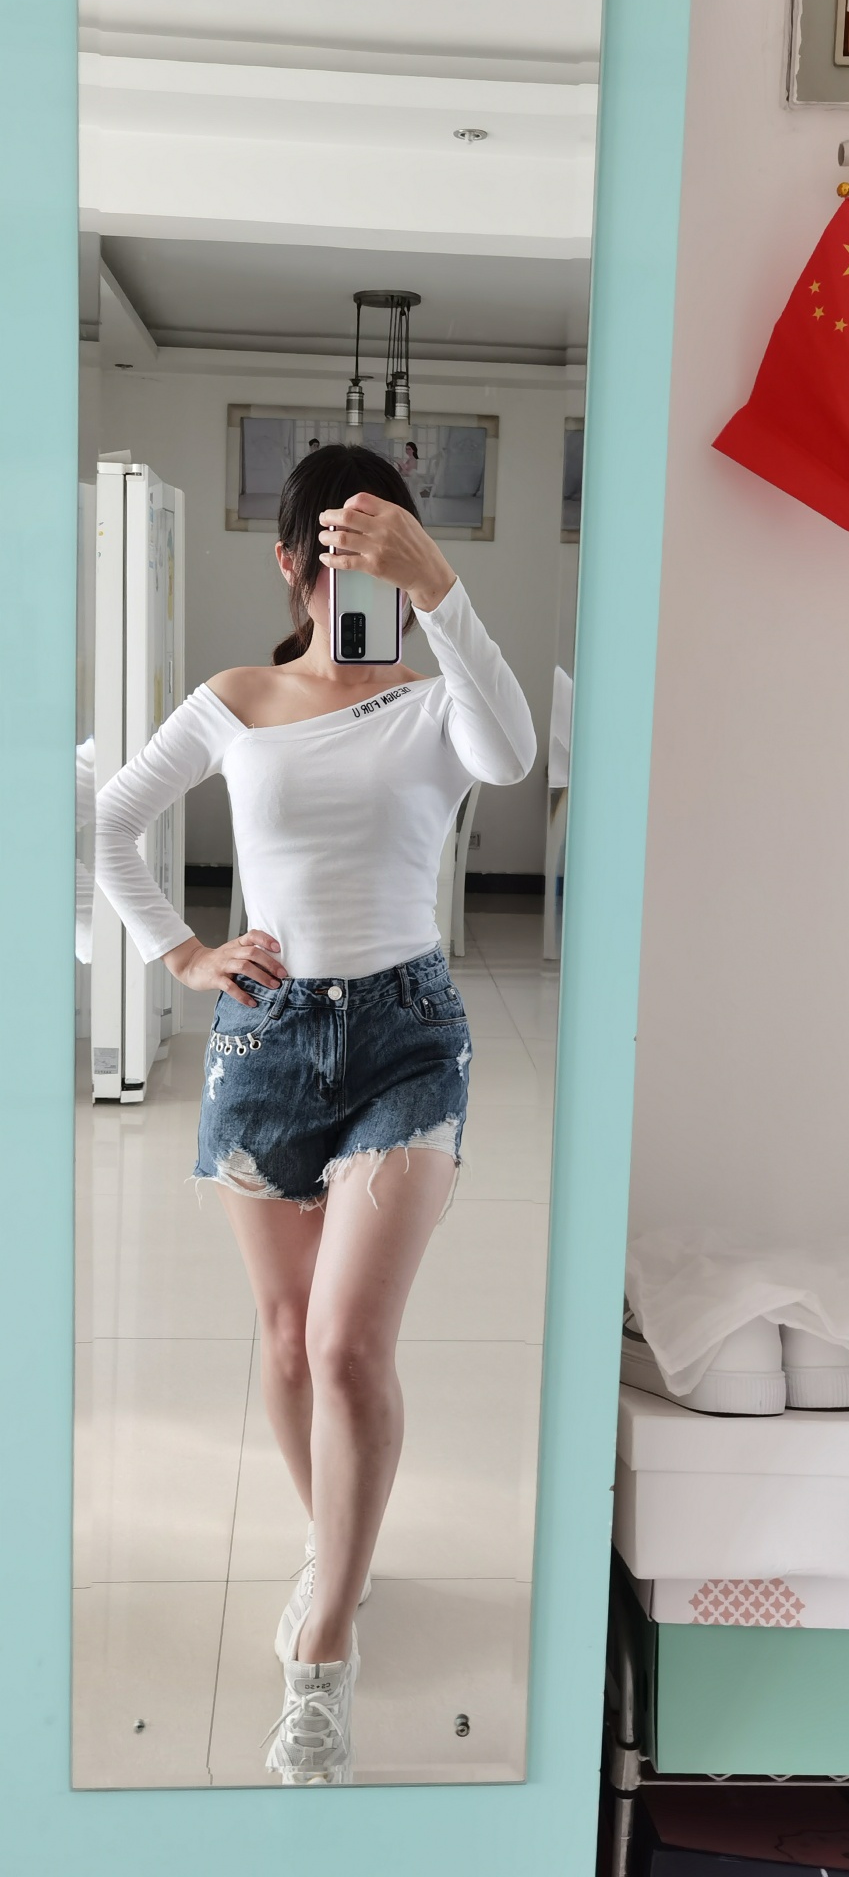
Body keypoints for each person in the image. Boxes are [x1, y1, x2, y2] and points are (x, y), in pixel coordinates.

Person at [94, 443, 536, 1786]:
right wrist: (184, 955)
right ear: (292, 563)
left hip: (408, 1037)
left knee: (346, 1346)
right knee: (287, 1343)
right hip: (266, 1043)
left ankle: (323, 1657)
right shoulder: (238, 699)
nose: (360, 582)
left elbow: (512, 755)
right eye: (339, 555)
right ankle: (336, 1546)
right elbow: (113, 822)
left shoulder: (436, 701)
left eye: (384, 553)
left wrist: (441, 587)